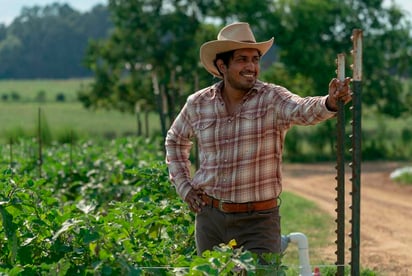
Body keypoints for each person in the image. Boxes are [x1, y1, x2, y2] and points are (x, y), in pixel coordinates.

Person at [165, 22, 351, 258]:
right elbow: (175, 140)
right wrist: (185, 187)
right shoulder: (198, 103)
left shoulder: (271, 98)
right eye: (242, 59)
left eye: (255, 59)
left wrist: (330, 102)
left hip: (259, 222)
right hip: (210, 220)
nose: (251, 66)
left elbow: (302, 109)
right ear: (222, 65)